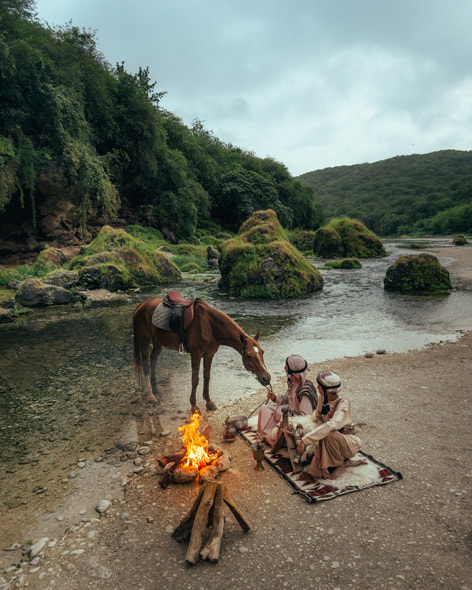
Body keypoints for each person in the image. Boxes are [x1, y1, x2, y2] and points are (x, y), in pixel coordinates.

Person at [296, 370, 367, 480]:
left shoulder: (343, 404)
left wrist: (306, 440)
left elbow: (333, 424)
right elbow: (319, 417)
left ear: (326, 390)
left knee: (328, 433)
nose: (317, 388)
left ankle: (340, 465)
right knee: (324, 435)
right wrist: (320, 431)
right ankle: (344, 461)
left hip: (348, 441)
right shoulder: (322, 399)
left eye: (319, 386)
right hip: (332, 441)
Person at [257, 355, 317, 445]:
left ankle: (272, 440)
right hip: (289, 411)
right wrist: (275, 397)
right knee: (264, 409)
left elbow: (305, 419)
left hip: (295, 420)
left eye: (287, 367)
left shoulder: (305, 392)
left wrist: (281, 418)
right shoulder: (292, 382)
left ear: (294, 373)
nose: (284, 368)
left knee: (273, 420)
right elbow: (287, 399)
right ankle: (264, 436)